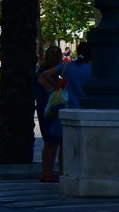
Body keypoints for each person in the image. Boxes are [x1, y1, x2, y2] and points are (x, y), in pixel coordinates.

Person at [38, 41, 92, 179]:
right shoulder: (94, 69)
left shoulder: (68, 66)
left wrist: (52, 90)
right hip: (85, 110)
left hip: (65, 110)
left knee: (53, 142)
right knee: (68, 145)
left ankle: (47, 174)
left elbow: (44, 76)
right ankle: (65, 172)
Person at [33, 46, 64, 183]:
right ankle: (49, 172)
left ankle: (48, 172)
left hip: (45, 108)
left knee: (51, 142)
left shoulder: (42, 70)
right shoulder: (45, 73)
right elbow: (51, 88)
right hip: (51, 109)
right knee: (54, 141)